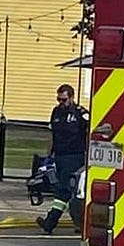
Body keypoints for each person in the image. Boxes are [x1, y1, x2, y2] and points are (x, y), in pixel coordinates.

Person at [37, 84, 89, 234]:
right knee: (66, 190)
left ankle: (50, 222)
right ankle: (79, 223)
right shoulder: (56, 112)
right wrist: (48, 156)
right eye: (58, 99)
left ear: (72, 98)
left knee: (64, 191)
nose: (61, 102)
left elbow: (91, 132)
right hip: (59, 156)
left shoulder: (81, 114)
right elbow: (51, 135)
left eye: (64, 100)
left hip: (74, 157)